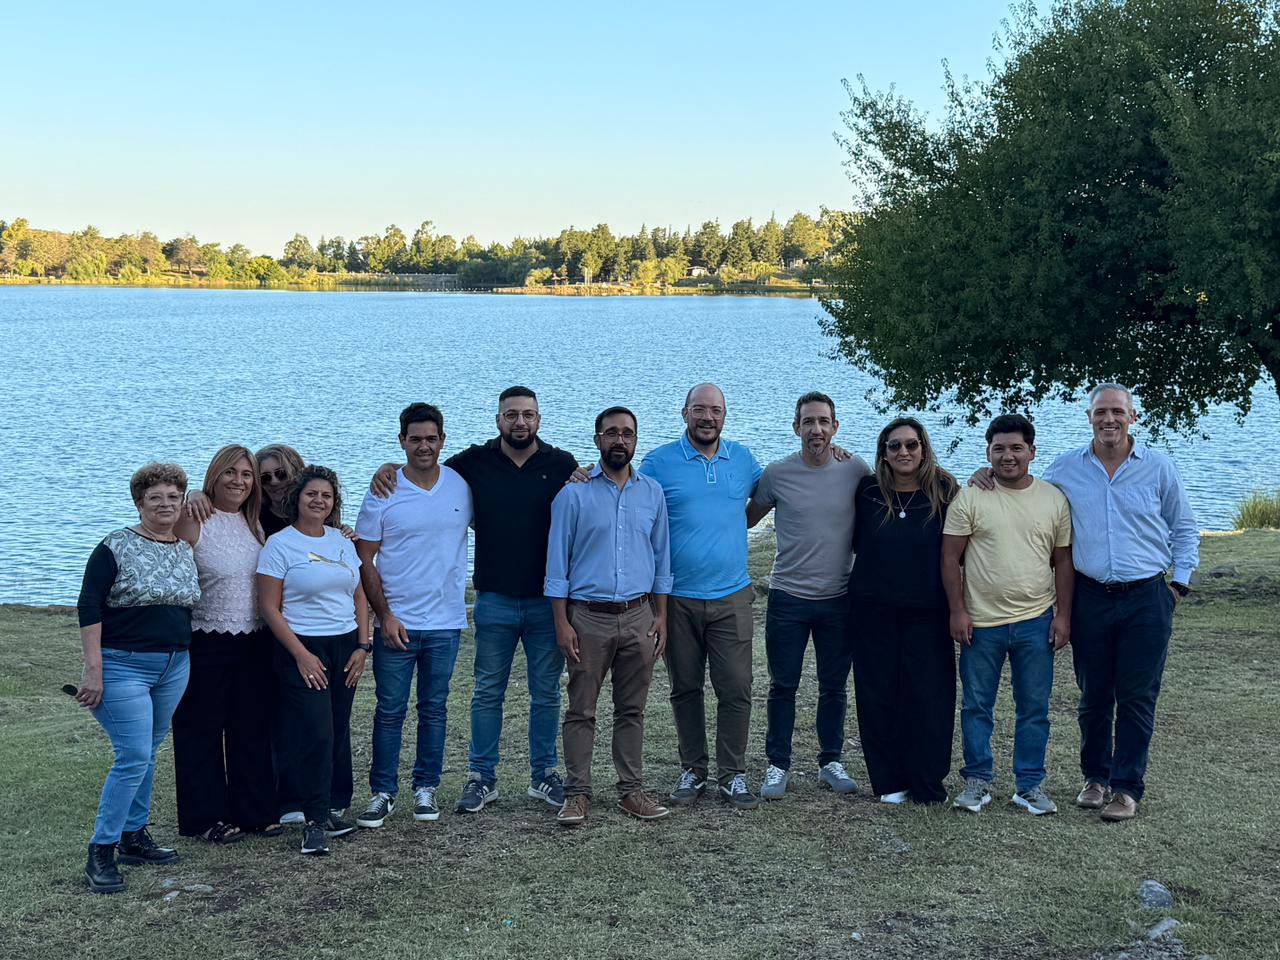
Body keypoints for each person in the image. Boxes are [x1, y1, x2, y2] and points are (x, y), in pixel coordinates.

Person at [368, 386, 577, 818]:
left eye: (528, 415)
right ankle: (482, 778)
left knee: (546, 693)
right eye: (511, 415)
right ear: (498, 419)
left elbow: (583, 506)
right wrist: (387, 468)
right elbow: (422, 470)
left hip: (545, 600)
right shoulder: (472, 464)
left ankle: (544, 774)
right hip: (494, 598)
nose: (520, 422)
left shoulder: (561, 464)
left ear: (539, 418)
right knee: (486, 693)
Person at [1044, 384, 1198, 821]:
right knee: (1094, 695)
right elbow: (1028, 497)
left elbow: (1184, 528)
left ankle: (1127, 788)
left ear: (1132, 417)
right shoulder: (1066, 468)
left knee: (1136, 696)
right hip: (1091, 596)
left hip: (1147, 597)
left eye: (1117, 412)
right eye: (1100, 412)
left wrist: (1178, 587)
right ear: (1088, 416)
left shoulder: (1158, 467)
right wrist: (986, 475)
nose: (1108, 419)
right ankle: (1095, 778)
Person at [76, 462, 201, 894]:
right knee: (131, 755)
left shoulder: (184, 546)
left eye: (173, 497)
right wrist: (94, 671)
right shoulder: (115, 546)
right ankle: (101, 851)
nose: (165, 504)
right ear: (139, 503)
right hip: (122, 664)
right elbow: (89, 607)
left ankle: (134, 835)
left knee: (147, 751)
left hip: (173, 666)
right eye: (155, 498)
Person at [545, 407, 673, 826]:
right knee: (581, 710)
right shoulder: (572, 495)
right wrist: (562, 623)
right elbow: (557, 566)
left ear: (636, 440)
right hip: (588, 618)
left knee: (631, 710)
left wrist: (662, 618)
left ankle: (631, 791)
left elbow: (661, 560)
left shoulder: (652, 493)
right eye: (612, 433)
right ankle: (577, 794)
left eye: (628, 434)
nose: (620, 440)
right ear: (598, 439)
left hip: (639, 616)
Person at [639, 383, 764, 809]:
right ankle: (693, 770)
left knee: (736, 687)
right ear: (684, 413)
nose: (707, 417)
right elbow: (629, 500)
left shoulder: (742, 459)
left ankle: (732, 775)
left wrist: (834, 454)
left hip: (732, 595)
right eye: (699, 410)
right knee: (685, 687)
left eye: (715, 410)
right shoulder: (659, 463)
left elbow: (772, 493)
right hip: (677, 599)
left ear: (725, 415)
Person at [943, 414, 1074, 816]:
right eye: (998, 449)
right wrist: (958, 611)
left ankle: (1029, 786)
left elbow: (1063, 562)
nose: (1007, 456)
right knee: (976, 706)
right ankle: (977, 782)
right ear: (988, 453)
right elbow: (950, 557)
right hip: (981, 624)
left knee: (1034, 707)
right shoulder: (971, 496)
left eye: (1016, 448)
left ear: (1032, 452)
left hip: (1036, 621)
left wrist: (1064, 616)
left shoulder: (1053, 499)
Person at [745, 392, 869, 799]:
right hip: (788, 597)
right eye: (808, 421)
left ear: (835, 426)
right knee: (783, 685)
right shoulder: (778, 474)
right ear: (796, 427)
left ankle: (830, 760)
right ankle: (778, 765)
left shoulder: (855, 469)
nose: (816, 429)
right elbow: (745, 519)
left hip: (839, 597)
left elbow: (891, 498)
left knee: (833, 685)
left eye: (823, 421)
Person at [354, 404, 472, 827]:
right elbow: (365, 559)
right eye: (415, 438)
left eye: (431, 438)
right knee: (389, 710)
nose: (424, 446)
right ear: (401, 440)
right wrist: (384, 615)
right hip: (397, 622)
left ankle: (426, 788)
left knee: (434, 708)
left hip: (445, 622)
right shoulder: (384, 490)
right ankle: (382, 792)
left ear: (442, 440)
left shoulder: (461, 486)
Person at [257, 466, 371, 855]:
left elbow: (358, 595)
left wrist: (362, 646)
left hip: (344, 646)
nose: (319, 501)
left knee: (337, 730)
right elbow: (269, 608)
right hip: (301, 647)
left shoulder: (341, 541)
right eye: (311, 495)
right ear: (297, 499)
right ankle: (313, 821)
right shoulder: (279, 544)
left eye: (326, 496)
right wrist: (301, 655)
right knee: (315, 732)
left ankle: (326, 810)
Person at [848, 417, 959, 805]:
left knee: (929, 699)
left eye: (911, 445)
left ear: (923, 448)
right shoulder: (867, 491)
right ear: (883, 453)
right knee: (878, 696)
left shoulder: (944, 490)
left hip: (929, 613)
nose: (904, 452)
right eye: (894, 446)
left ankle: (927, 782)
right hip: (871, 611)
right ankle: (889, 781)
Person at [172, 445, 279, 844]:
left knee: (250, 728)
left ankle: (254, 811)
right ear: (214, 476)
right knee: (200, 731)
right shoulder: (194, 519)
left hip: (253, 640)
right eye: (230, 473)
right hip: (206, 640)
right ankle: (204, 818)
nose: (239, 481)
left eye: (247, 474)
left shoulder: (256, 524)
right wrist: (190, 497)